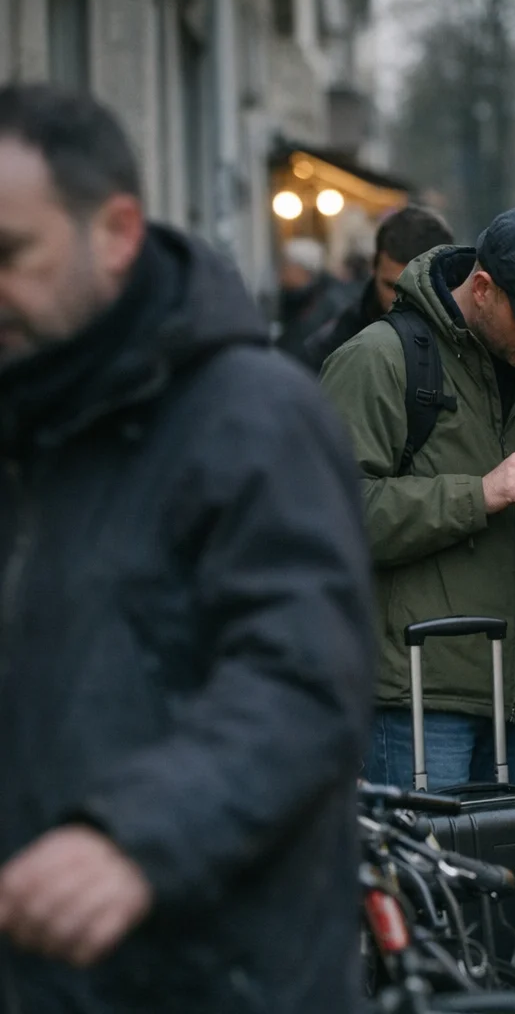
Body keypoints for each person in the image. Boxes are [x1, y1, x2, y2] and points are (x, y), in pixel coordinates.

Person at [0, 84, 375, 1013]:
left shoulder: (254, 419)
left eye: (9, 255)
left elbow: (300, 679)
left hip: (204, 979)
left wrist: (133, 839)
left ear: (117, 233)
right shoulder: (25, 415)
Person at [322, 207, 515, 790]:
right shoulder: (377, 360)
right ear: (482, 289)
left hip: (512, 695)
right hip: (413, 698)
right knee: (420, 853)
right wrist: (476, 495)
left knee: (505, 854)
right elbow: (328, 519)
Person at [305, 204, 455, 370]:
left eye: (417, 287)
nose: (400, 300)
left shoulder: (469, 341)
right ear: (374, 270)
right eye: (391, 286)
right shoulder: (333, 348)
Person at [274, 236, 350, 364]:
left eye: (286, 266)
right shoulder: (294, 298)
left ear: (303, 270)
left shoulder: (325, 303)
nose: (281, 272)